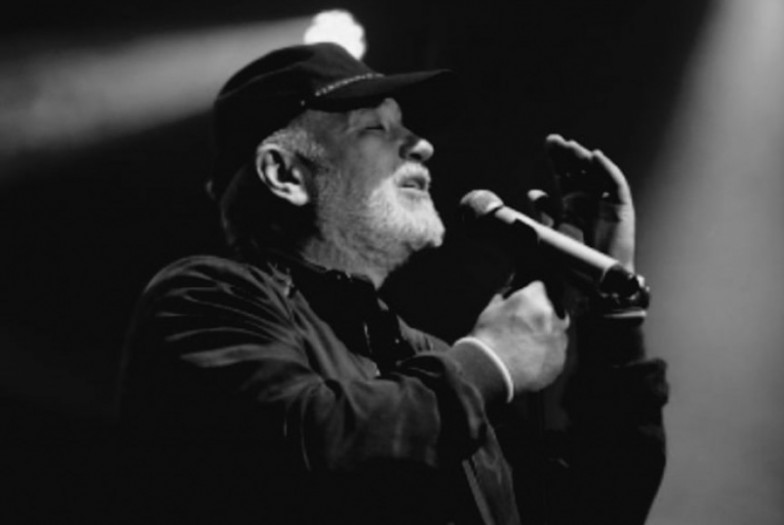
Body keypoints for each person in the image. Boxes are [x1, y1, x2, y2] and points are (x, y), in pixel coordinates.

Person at [115, 42, 668, 524]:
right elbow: (306, 452)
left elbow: (591, 510)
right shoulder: (203, 299)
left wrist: (608, 320)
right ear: (285, 174)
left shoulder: (422, 354)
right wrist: (486, 366)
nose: (422, 145)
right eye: (377, 127)